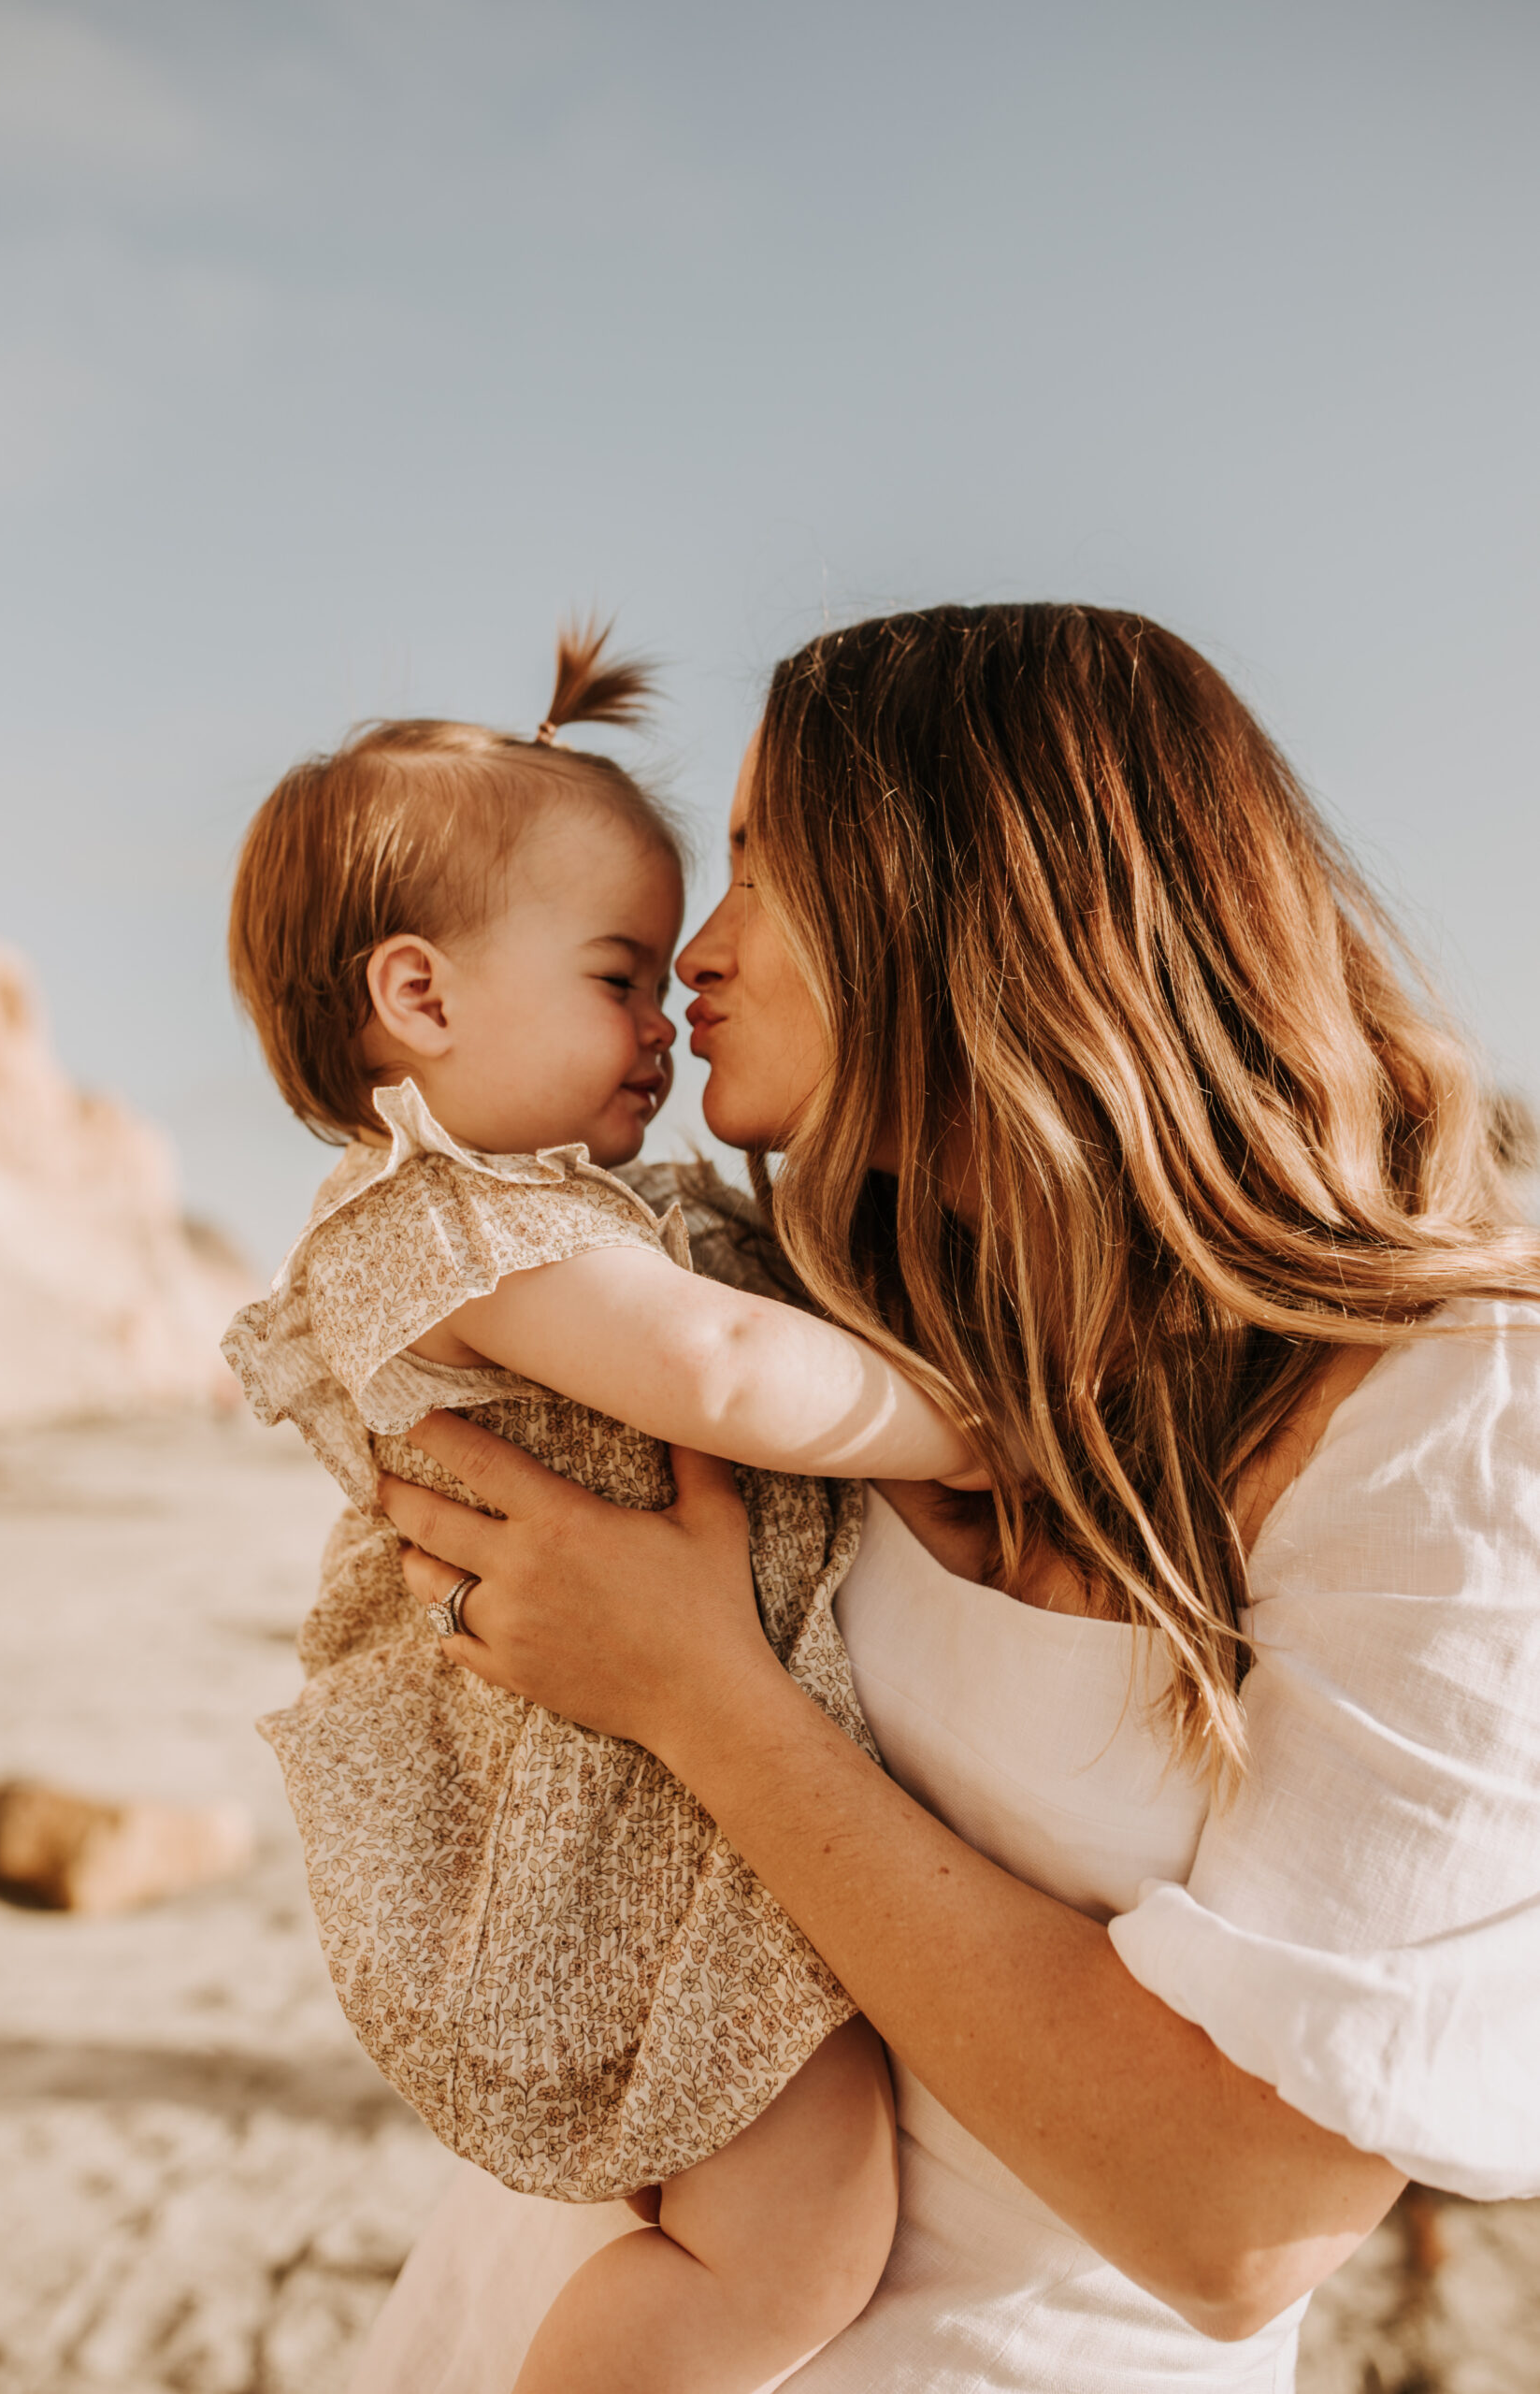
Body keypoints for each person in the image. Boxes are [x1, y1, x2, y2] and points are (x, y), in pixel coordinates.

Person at [354, 601, 1540, 2393]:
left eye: (765, 863)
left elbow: (1240, 2220)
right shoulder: (822, 1293)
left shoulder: (1455, 1415)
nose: (702, 947)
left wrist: (695, 1689)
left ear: (978, 893)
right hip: (527, 2316)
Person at [220, 624, 1007, 2394]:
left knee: (792, 2228)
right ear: (419, 1001)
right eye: (618, 974)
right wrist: (976, 1434)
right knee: (783, 2249)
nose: (668, 1019)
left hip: (672, 1807)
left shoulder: (608, 1213)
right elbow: (727, 1381)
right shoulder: (442, 1230)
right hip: (591, 1839)